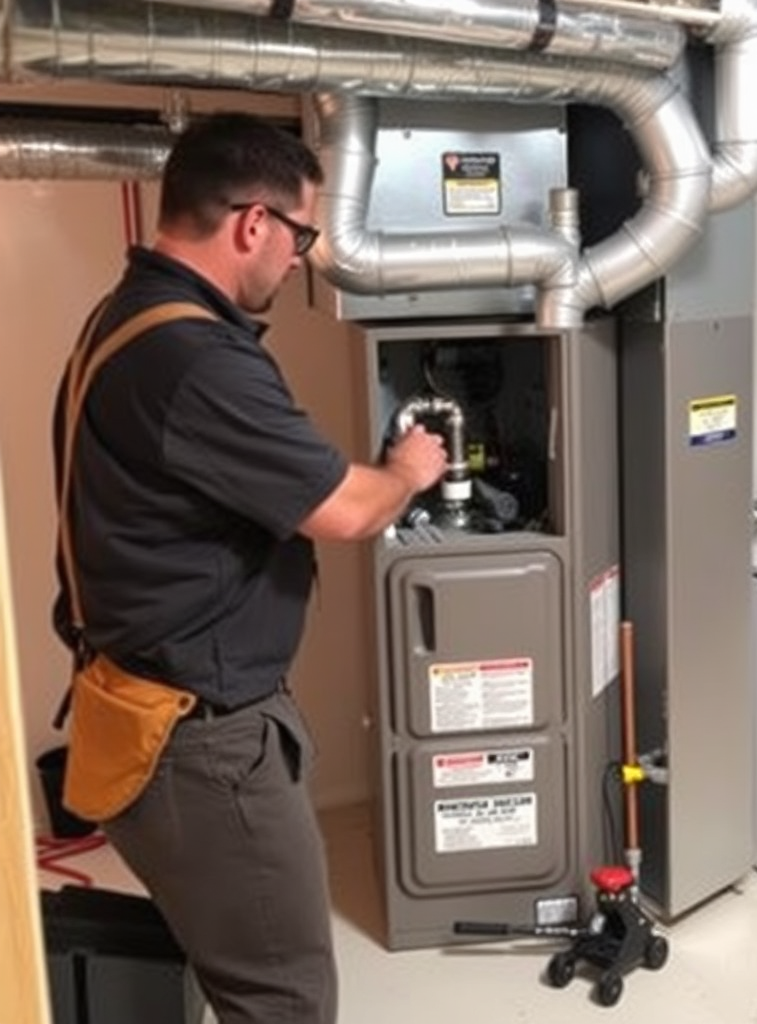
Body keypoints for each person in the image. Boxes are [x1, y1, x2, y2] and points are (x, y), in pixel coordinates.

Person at [50, 111, 448, 1024]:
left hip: (157, 705)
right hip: (201, 746)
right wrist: (408, 471)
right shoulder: (193, 357)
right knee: (283, 997)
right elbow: (349, 510)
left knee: (243, 969)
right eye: (302, 234)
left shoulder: (127, 319)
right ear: (253, 223)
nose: (302, 257)